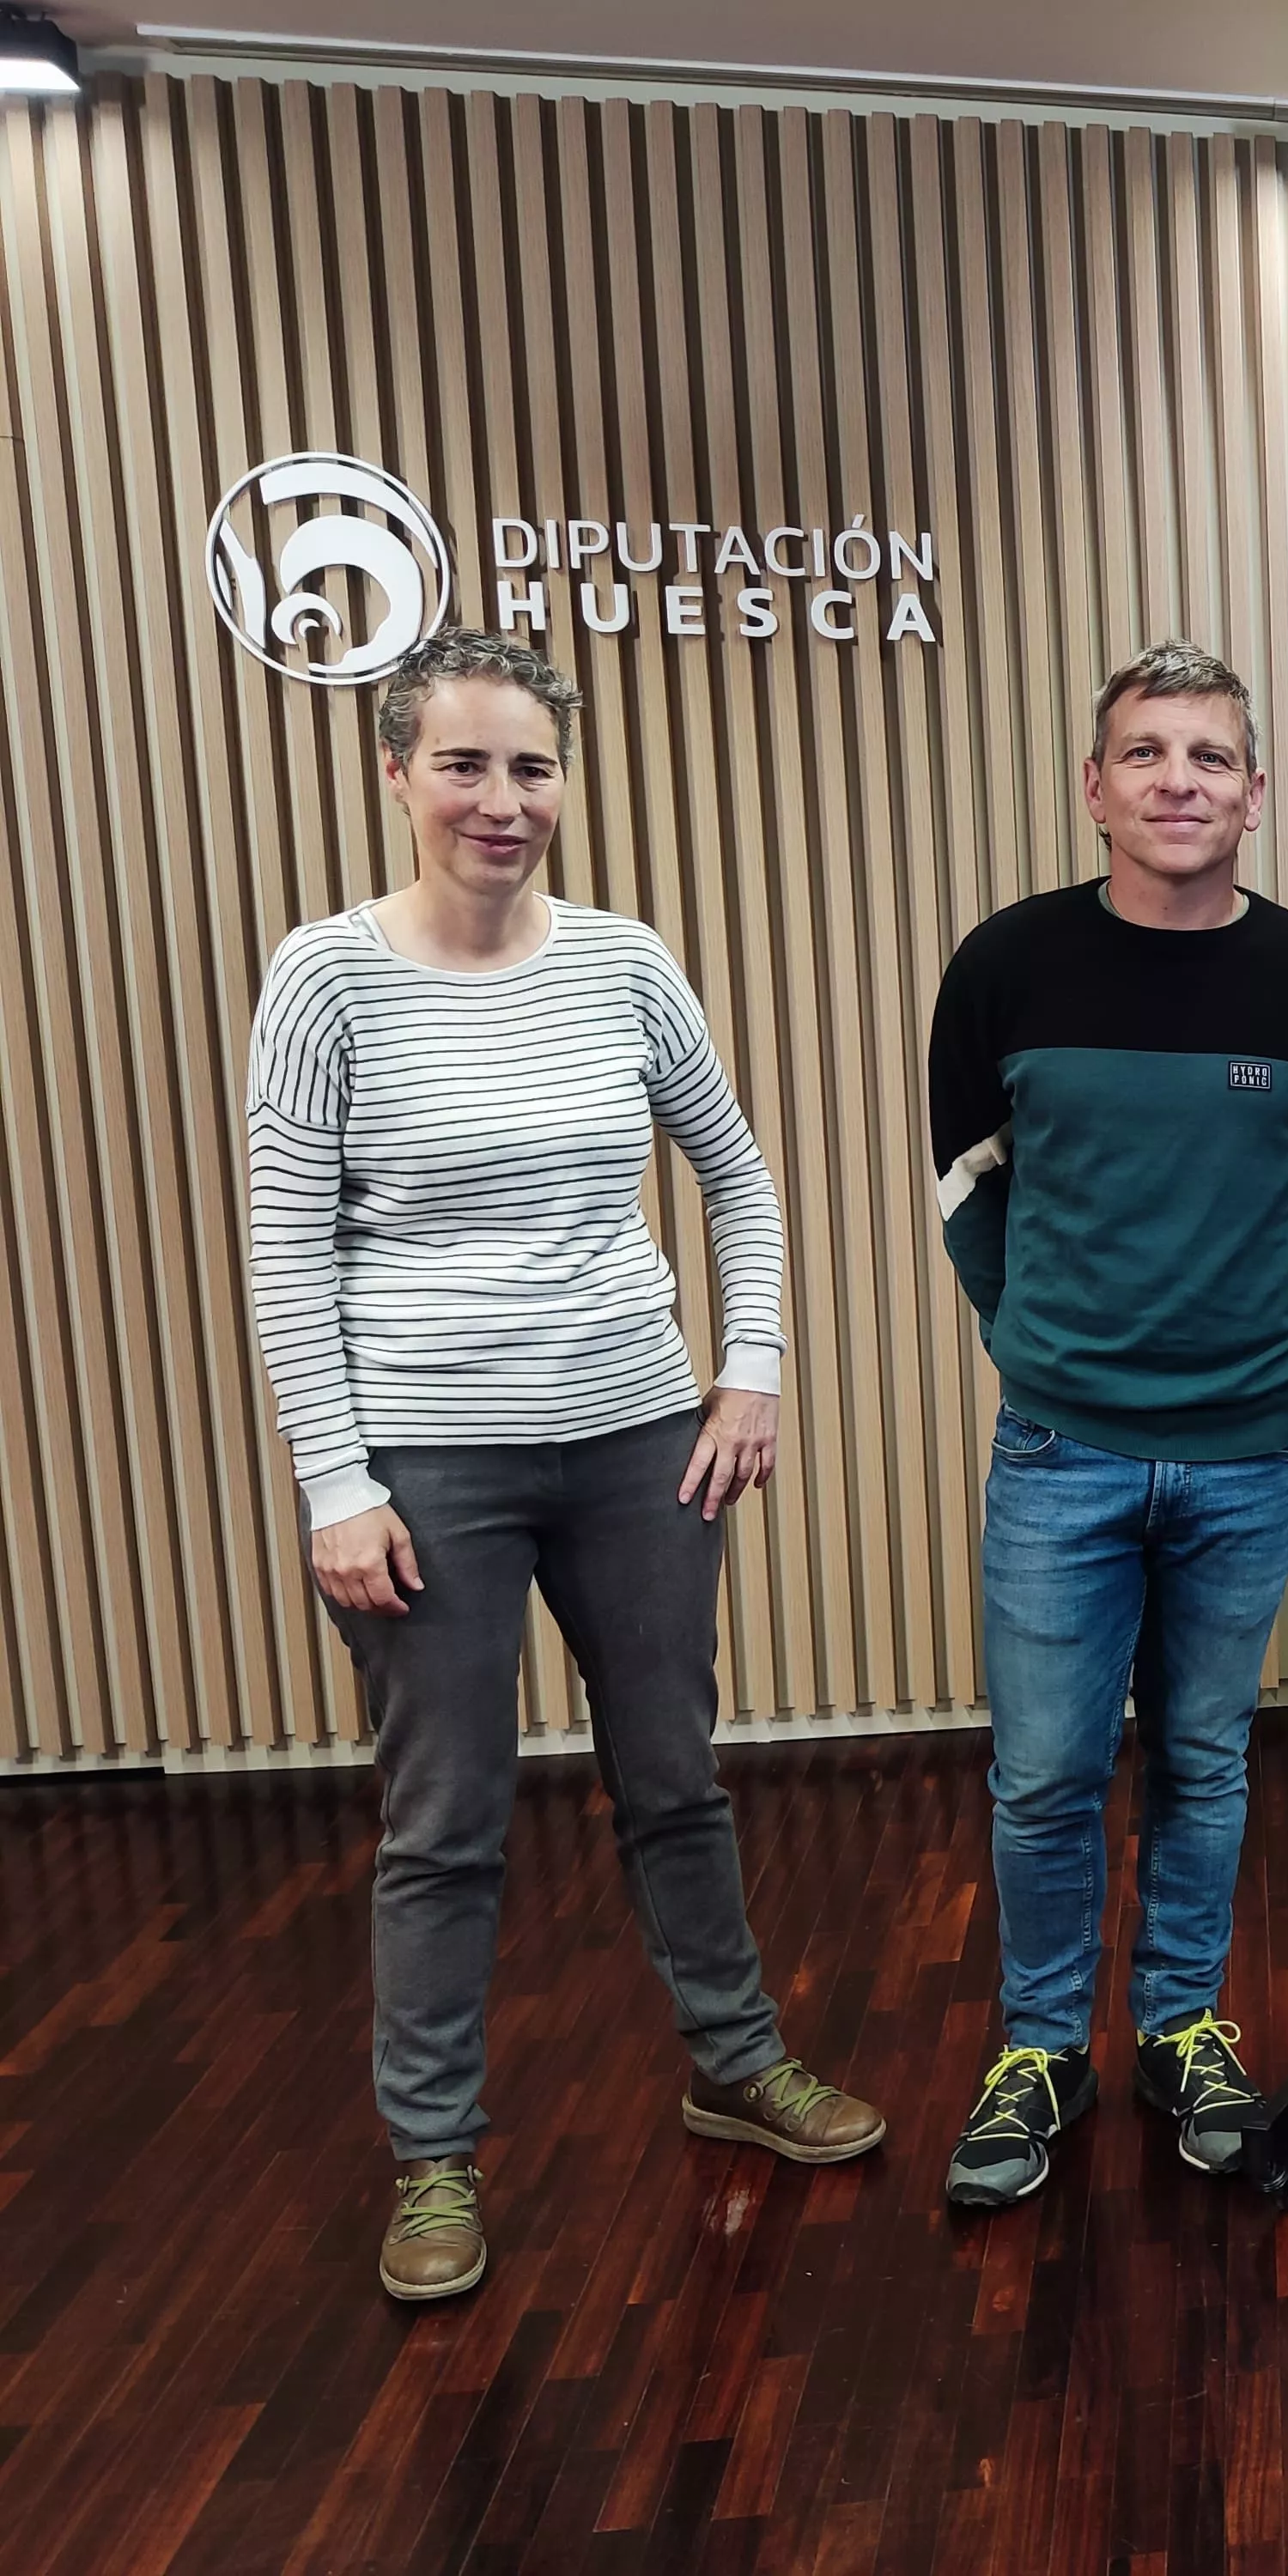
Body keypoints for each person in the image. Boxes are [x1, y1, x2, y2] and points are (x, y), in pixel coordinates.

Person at [245, 629, 885, 2306]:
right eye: (464, 763)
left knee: (674, 1776)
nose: (501, 799)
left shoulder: (622, 962)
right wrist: (335, 1482)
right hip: (424, 1462)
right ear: (398, 772)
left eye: (531, 767)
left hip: (634, 1442)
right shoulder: (325, 978)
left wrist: (748, 1370)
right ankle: (433, 2158)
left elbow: (739, 1178)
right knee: (446, 1820)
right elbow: (284, 1252)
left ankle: (734, 2064)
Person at [928, 641, 1288, 2208]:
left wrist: (1255, 1334)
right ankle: (1043, 2047)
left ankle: (1184, 2026)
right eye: (1145, 753)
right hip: (1060, 1451)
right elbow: (969, 1190)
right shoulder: (1008, 965)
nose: (1176, 781)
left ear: (1255, 794)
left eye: (1208, 757)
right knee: (1046, 1775)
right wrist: (1044, 1342)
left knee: (1203, 1757)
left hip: (1252, 1452)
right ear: (1094, 786)